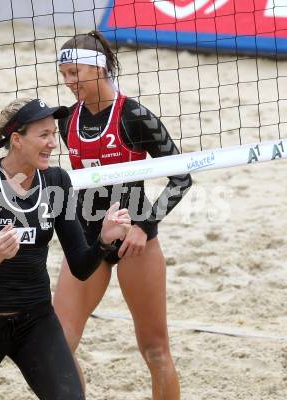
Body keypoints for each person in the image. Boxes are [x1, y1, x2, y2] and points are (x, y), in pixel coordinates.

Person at [0, 97, 131, 400]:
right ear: (17, 140)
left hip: (36, 321)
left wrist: (103, 241)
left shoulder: (56, 181)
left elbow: (82, 267)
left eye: (53, 134)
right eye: (43, 135)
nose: (52, 143)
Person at [54, 31, 193, 399]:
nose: (68, 82)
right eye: (63, 74)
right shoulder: (66, 121)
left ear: (99, 68)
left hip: (135, 243)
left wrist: (145, 228)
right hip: (87, 241)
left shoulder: (134, 116)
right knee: (57, 348)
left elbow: (182, 178)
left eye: (74, 73)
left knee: (155, 350)